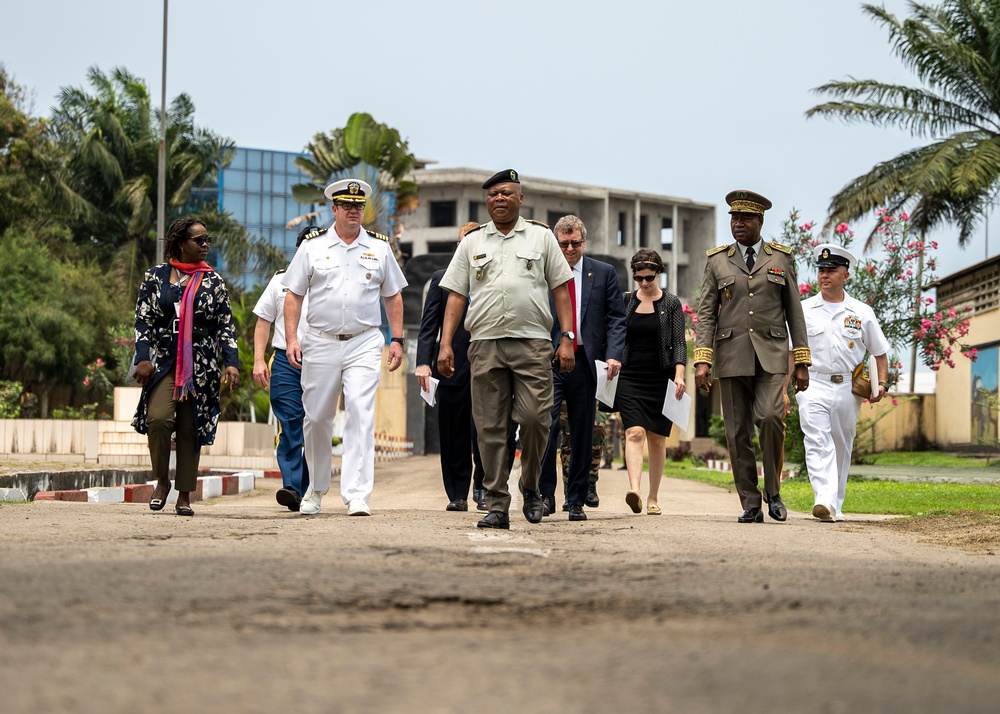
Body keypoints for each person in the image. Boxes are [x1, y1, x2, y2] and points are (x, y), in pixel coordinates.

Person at [437, 169, 575, 529]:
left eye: (506, 193)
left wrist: (567, 337)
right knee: (490, 428)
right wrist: (446, 343)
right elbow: (456, 294)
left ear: (520, 199)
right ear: (487, 200)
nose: (499, 199)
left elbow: (561, 289)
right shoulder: (472, 243)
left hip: (532, 344)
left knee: (534, 419)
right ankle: (497, 503)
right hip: (484, 344)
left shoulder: (542, 238)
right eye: (493, 194)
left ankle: (530, 487)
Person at [282, 178, 407, 517]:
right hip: (320, 341)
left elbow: (393, 294)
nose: (354, 210)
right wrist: (292, 338)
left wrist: (396, 339)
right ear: (334, 209)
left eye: (359, 206)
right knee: (317, 417)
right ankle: (316, 489)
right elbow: (293, 294)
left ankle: (356, 494)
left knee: (360, 414)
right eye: (347, 205)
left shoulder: (380, 248)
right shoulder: (312, 246)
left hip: (364, 342)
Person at [694, 190, 811, 523]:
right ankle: (750, 501)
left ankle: (773, 492)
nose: (738, 224)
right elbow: (706, 313)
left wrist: (801, 361)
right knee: (737, 431)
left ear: (760, 221)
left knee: (772, 416)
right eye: (734, 218)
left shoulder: (780, 259)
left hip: (772, 354)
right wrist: (703, 358)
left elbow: (795, 311)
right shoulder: (717, 260)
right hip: (732, 356)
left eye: (745, 218)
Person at [132, 218, 240, 517]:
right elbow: (143, 320)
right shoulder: (156, 277)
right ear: (181, 244)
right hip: (164, 362)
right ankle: (162, 481)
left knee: (189, 428)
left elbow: (225, 326)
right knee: (159, 419)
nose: (206, 245)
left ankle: (184, 495)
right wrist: (143, 356)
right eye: (199, 240)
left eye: (208, 240)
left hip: (201, 365)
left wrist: (231, 363)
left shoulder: (213, 281)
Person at [416, 221, 508, 512]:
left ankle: (483, 486)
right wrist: (422, 363)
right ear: (458, 247)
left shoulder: (496, 276)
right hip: (450, 366)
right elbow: (428, 326)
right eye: (462, 242)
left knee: (486, 429)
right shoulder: (441, 279)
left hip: (489, 364)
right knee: (453, 431)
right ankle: (457, 493)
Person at [539, 214, 626, 521]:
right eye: (563, 243)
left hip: (586, 363)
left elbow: (617, 318)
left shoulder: (602, 273)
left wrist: (614, 354)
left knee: (583, 433)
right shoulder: (542, 271)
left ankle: (575, 499)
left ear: (584, 241)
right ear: (555, 243)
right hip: (548, 362)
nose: (570, 249)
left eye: (575, 243)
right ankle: (545, 495)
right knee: (545, 429)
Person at [796, 244, 889, 522]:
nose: (824, 275)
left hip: (849, 388)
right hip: (813, 383)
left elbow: (879, 351)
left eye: (831, 270)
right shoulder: (804, 309)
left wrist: (881, 383)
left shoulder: (861, 311)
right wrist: (782, 389)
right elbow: (792, 351)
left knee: (840, 444)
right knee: (816, 440)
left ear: (845, 275)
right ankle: (822, 499)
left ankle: (834, 504)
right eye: (821, 270)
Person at [614, 249, 687, 516]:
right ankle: (634, 489)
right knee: (634, 432)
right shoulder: (624, 301)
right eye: (639, 278)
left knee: (657, 438)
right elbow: (614, 333)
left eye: (649, 277)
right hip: (629, 376)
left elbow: (679, 341)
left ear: (659, 273)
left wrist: (679, 375)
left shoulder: (671, 303)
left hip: (662, 376)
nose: (644, 283)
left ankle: (653, 497)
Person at [252, 225, 317, 511]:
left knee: (314, 425)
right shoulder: (280, 281)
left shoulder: (334, 282)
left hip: (321, 362)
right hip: (285, 362)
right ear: (299, 249)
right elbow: (263, 321)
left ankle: (305, 490)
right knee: (290, 421)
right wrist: (257, 359)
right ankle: (291, 486)